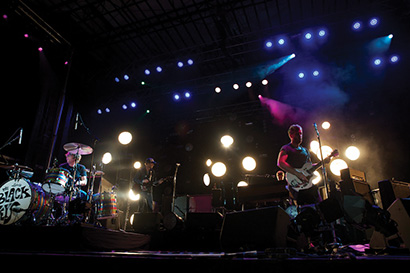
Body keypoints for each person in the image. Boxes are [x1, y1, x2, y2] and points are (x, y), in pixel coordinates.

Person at [277, 124, 322, 206]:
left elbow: (309, 167)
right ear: (291, 135)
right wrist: (297, 173)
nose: (300, 136)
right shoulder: (286, 148)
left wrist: (322, 163)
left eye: (301, 133)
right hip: (297, 184)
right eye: (297, 134)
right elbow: (281, 163)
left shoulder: (305, 150)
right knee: (305, 208)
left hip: (308, 183)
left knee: (319, 205)